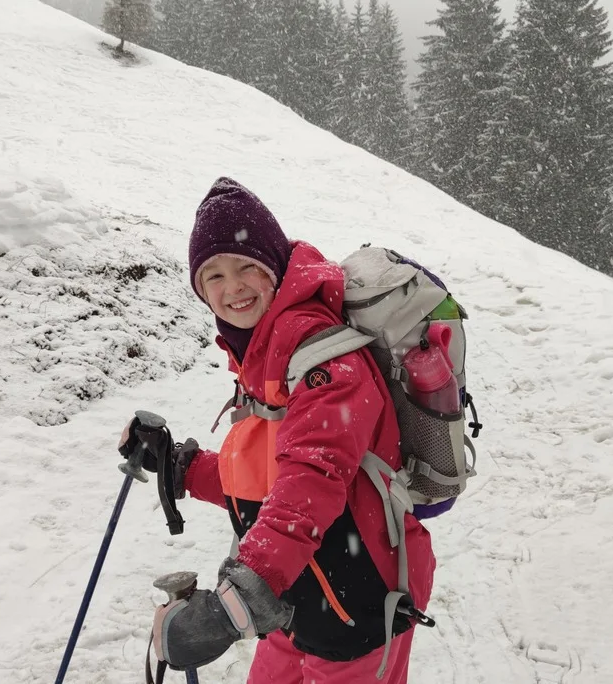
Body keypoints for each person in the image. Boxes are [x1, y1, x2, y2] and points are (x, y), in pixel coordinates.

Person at [119, 177, 434, 683]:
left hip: (360, 604)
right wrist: (181, 466)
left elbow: (310, 481)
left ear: (276, 269)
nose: (232, 287)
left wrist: (233, 606)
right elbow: (266, 478)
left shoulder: (326, 359)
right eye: (214, 275)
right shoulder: (261, 354)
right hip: (294, 598)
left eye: (247, 267)